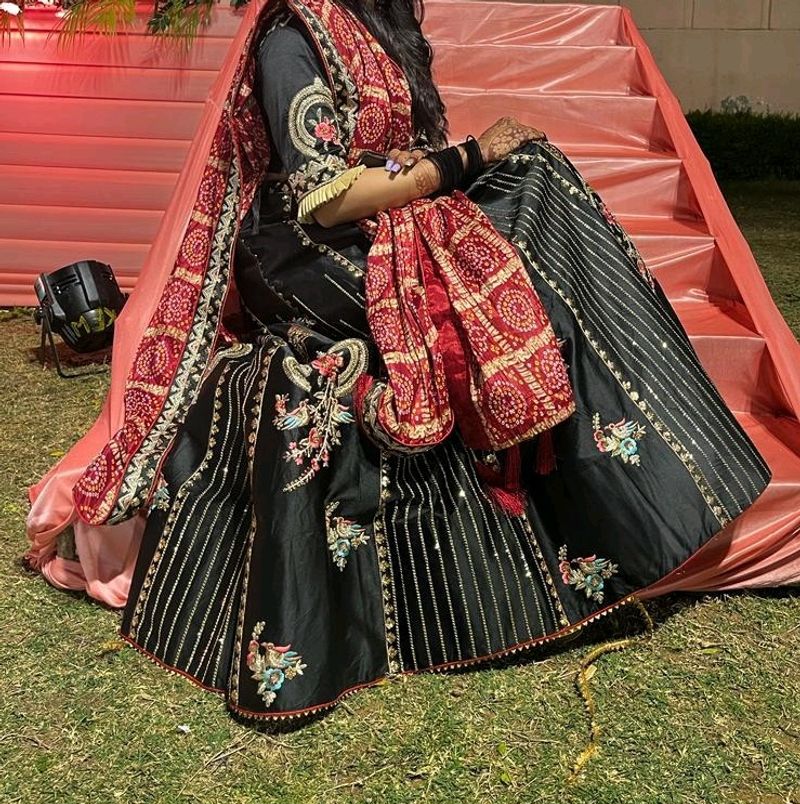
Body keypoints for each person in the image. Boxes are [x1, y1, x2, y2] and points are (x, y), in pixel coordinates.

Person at [25, 0, 771, 721]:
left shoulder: (378, 23)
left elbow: (388, 156)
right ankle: (620, 502)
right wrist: (470, 158)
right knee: (523, 220)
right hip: (300, 248)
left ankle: (651, 486)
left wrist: (457, 169)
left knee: (539, 184)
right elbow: (320, 196)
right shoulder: (295, 35)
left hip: (374, 217)